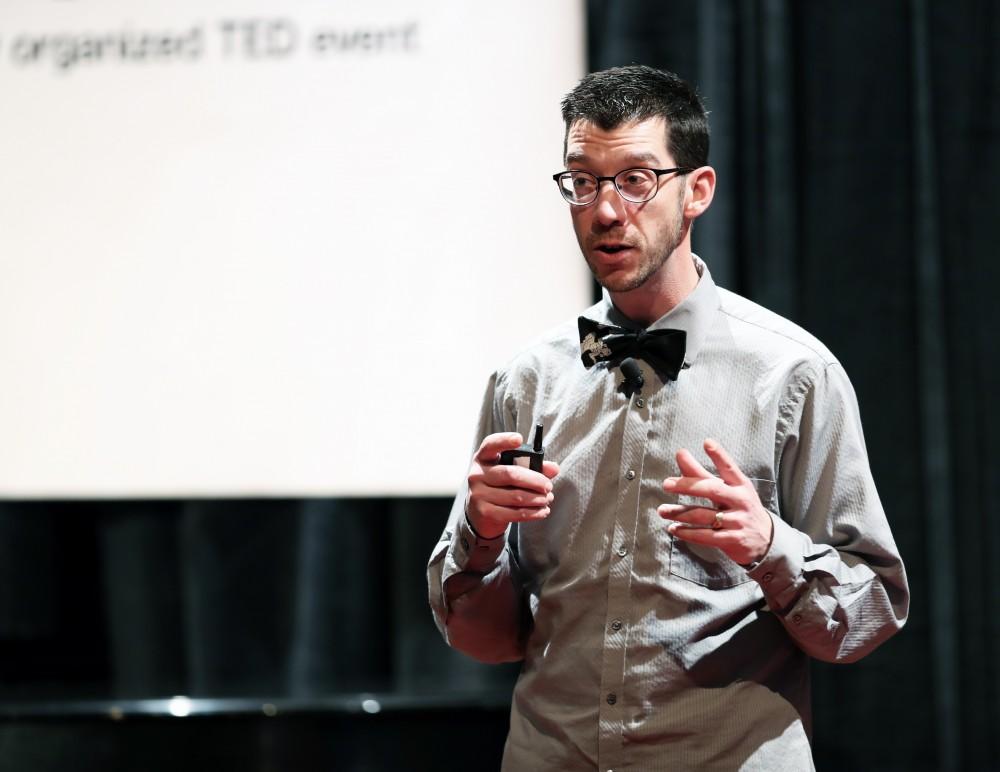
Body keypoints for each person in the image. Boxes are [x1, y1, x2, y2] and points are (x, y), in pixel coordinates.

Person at [427, 65, 908, 771]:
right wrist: (481, 536)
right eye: (583, 181)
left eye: (635, 180)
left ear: (697, 192)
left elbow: (867, 618)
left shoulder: (792, 376)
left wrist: (768, 544)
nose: (605, 211)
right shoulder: (525, 380)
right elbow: (487, 640)